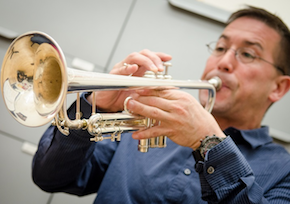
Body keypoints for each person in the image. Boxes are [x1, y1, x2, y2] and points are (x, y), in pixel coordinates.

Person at [32, 6, 290, 203]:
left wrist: (209, 142)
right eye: (221, 47)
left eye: (247, 54)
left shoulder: (284, 171)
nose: (223, 62)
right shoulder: (140, 123)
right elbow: (50, 177)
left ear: (279, 87)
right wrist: (95, 105)